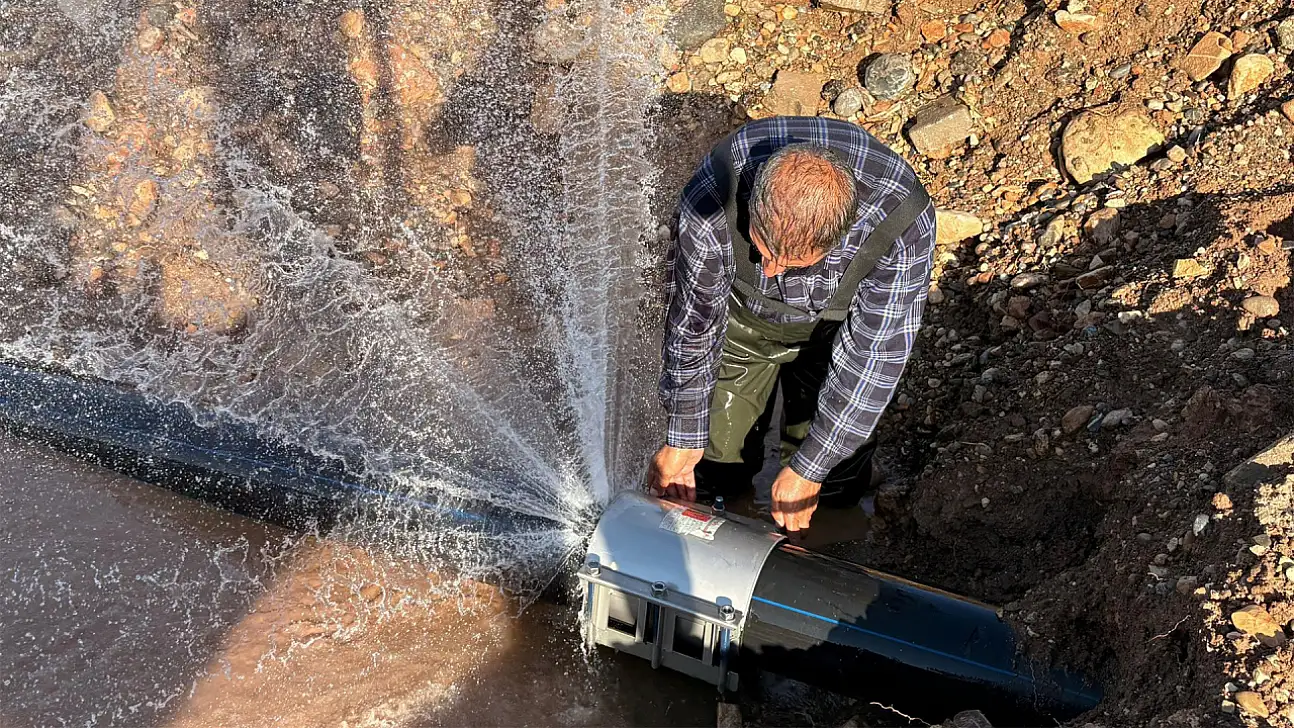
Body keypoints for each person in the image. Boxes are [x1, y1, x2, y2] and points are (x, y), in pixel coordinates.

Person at [647, 116, 936, 534]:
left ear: (840, 237)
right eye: (760, 249)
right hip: (742, 326)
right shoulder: (713, 197)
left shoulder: (901, 222)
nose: (769, 272)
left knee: (831, 481)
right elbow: (695, 324)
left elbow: (873, 358)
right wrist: (683, 436)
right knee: (713, 467)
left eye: (792, 263)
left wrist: (810, 467)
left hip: (837, 332)